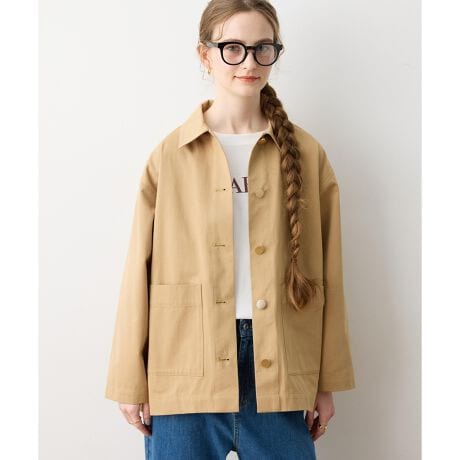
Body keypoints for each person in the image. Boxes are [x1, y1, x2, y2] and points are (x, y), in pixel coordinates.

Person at [105, 1, 356, 458]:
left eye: (263, 48)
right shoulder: (171, 155)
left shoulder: (306, 153)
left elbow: (330, 273)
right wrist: (129, 378)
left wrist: (326, 381)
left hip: (281, 364)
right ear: (205, 54)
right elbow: (138, 269)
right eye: (233, 48)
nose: (249, 62)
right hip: (184, 366)